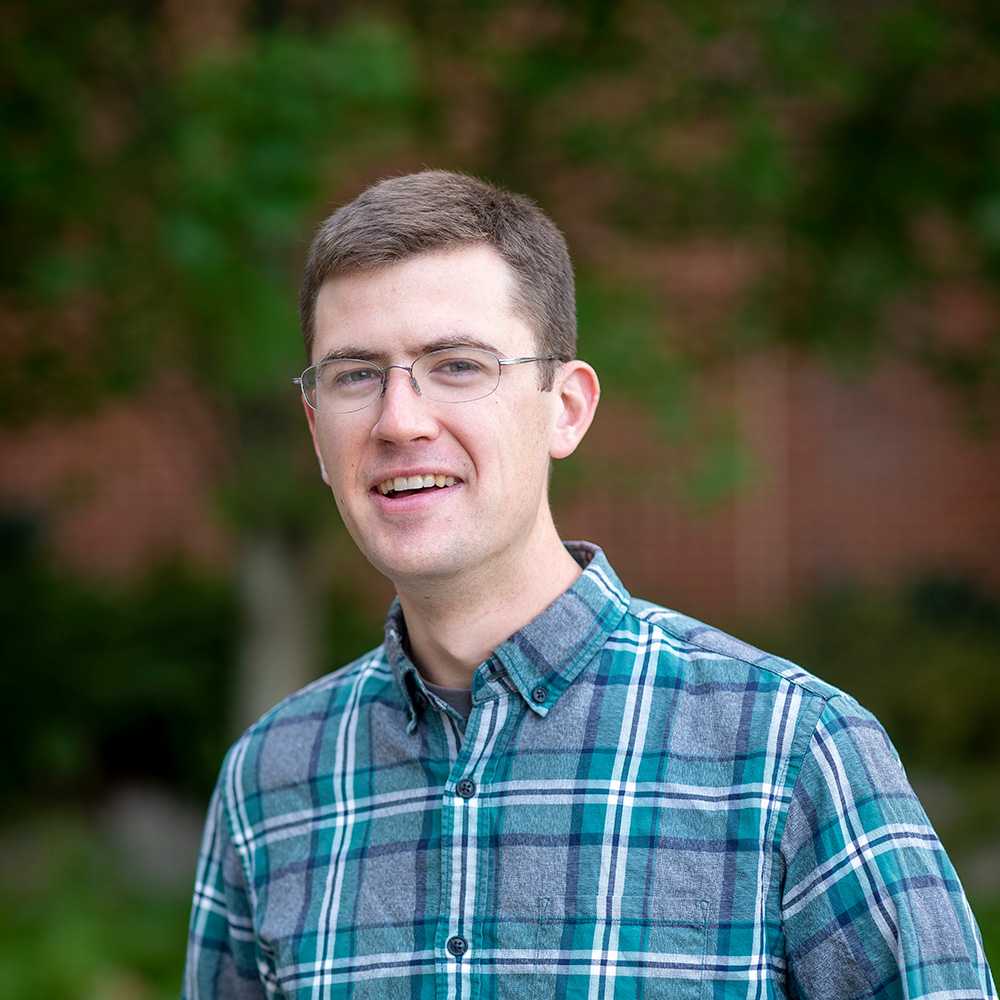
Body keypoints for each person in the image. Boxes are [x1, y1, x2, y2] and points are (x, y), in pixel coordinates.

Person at [184, 170, 996, 999]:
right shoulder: (270, 783)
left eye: (457, 365)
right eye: (356, 375)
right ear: (319, 435)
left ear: (566, 409)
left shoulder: (788, 752)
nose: (400, 420)